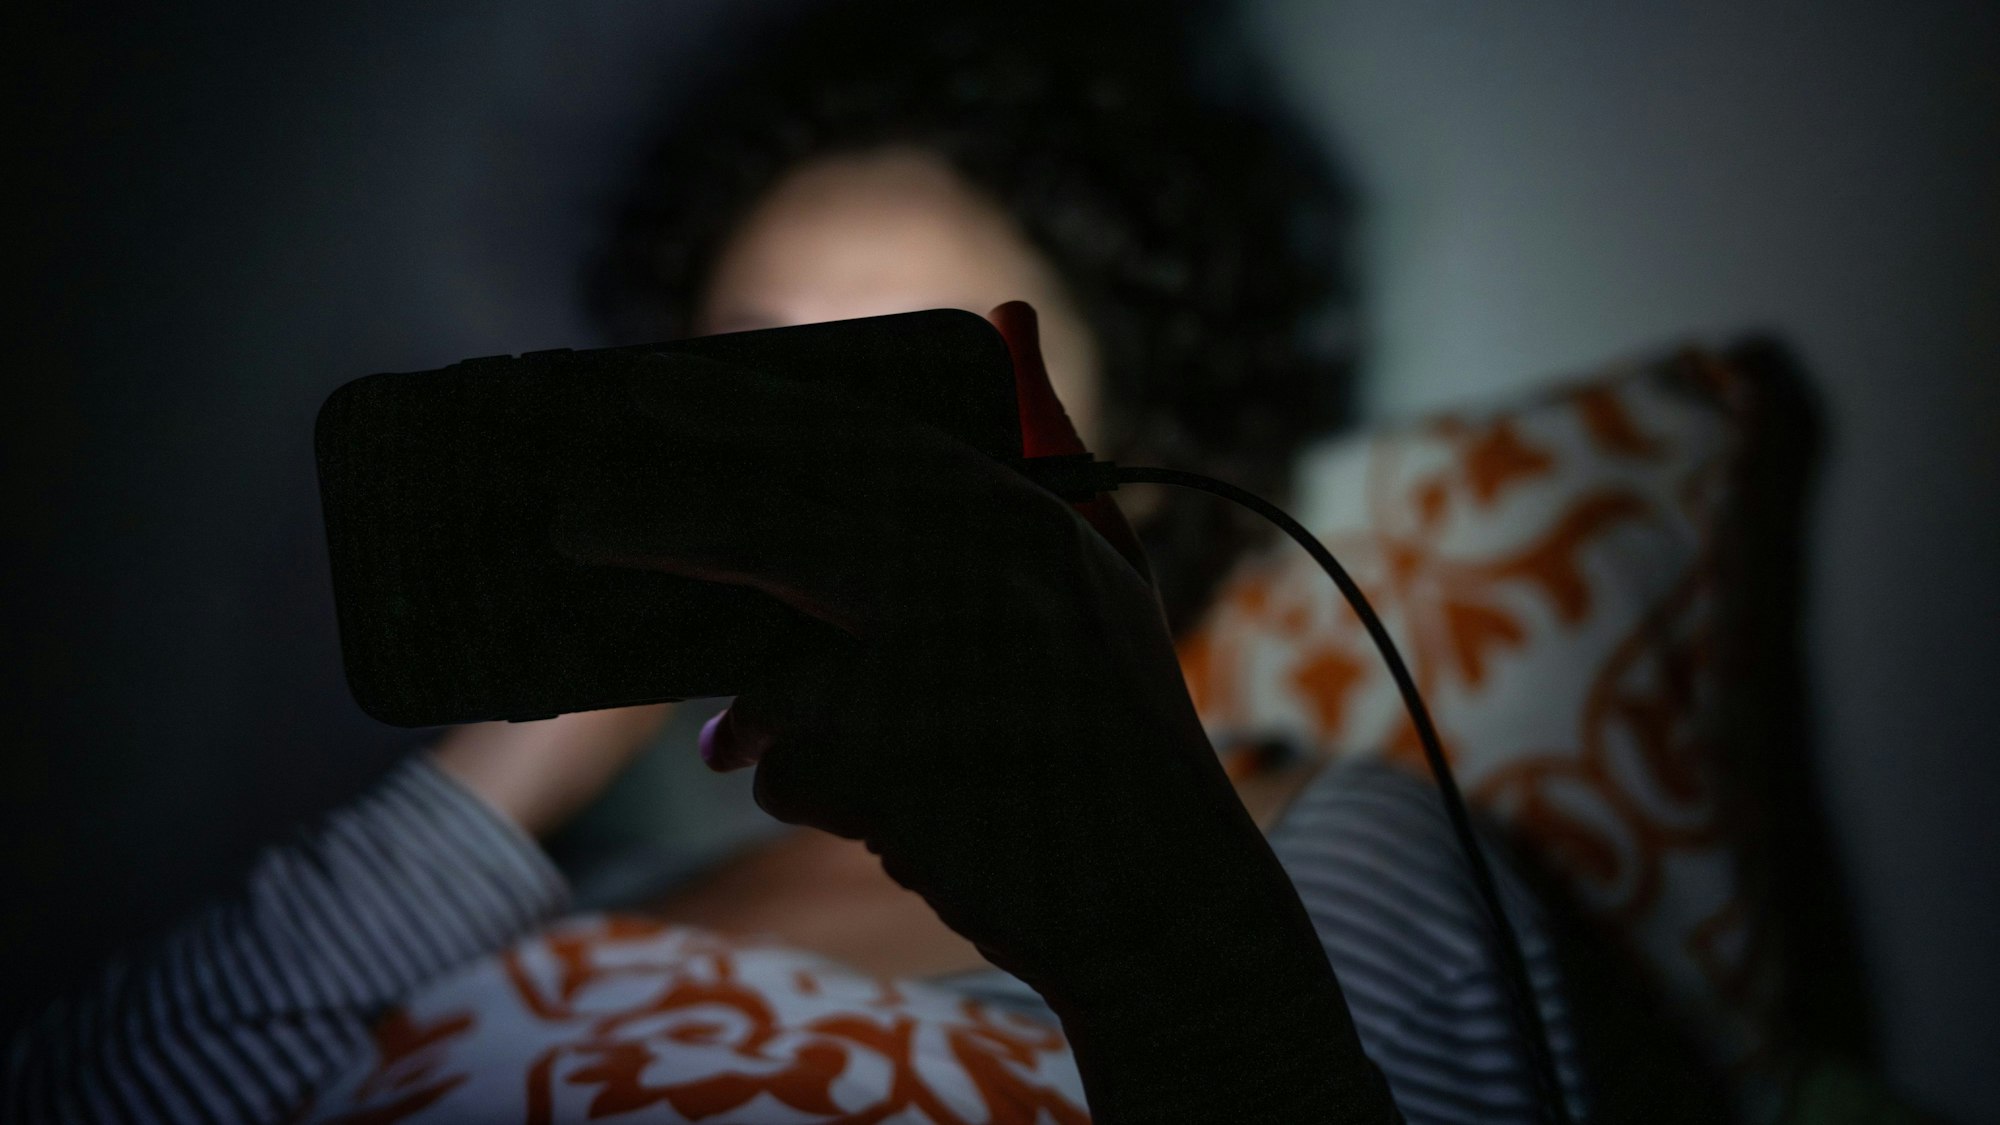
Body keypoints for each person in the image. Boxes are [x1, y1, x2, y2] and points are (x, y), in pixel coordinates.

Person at [3, 2, 1590, 1121]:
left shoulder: (1318, 854)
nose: (810, 475)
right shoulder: (552, 907)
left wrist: (1153, 938)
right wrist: (561, 680)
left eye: (893, 389)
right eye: (752, 386)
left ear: (1127, 459)